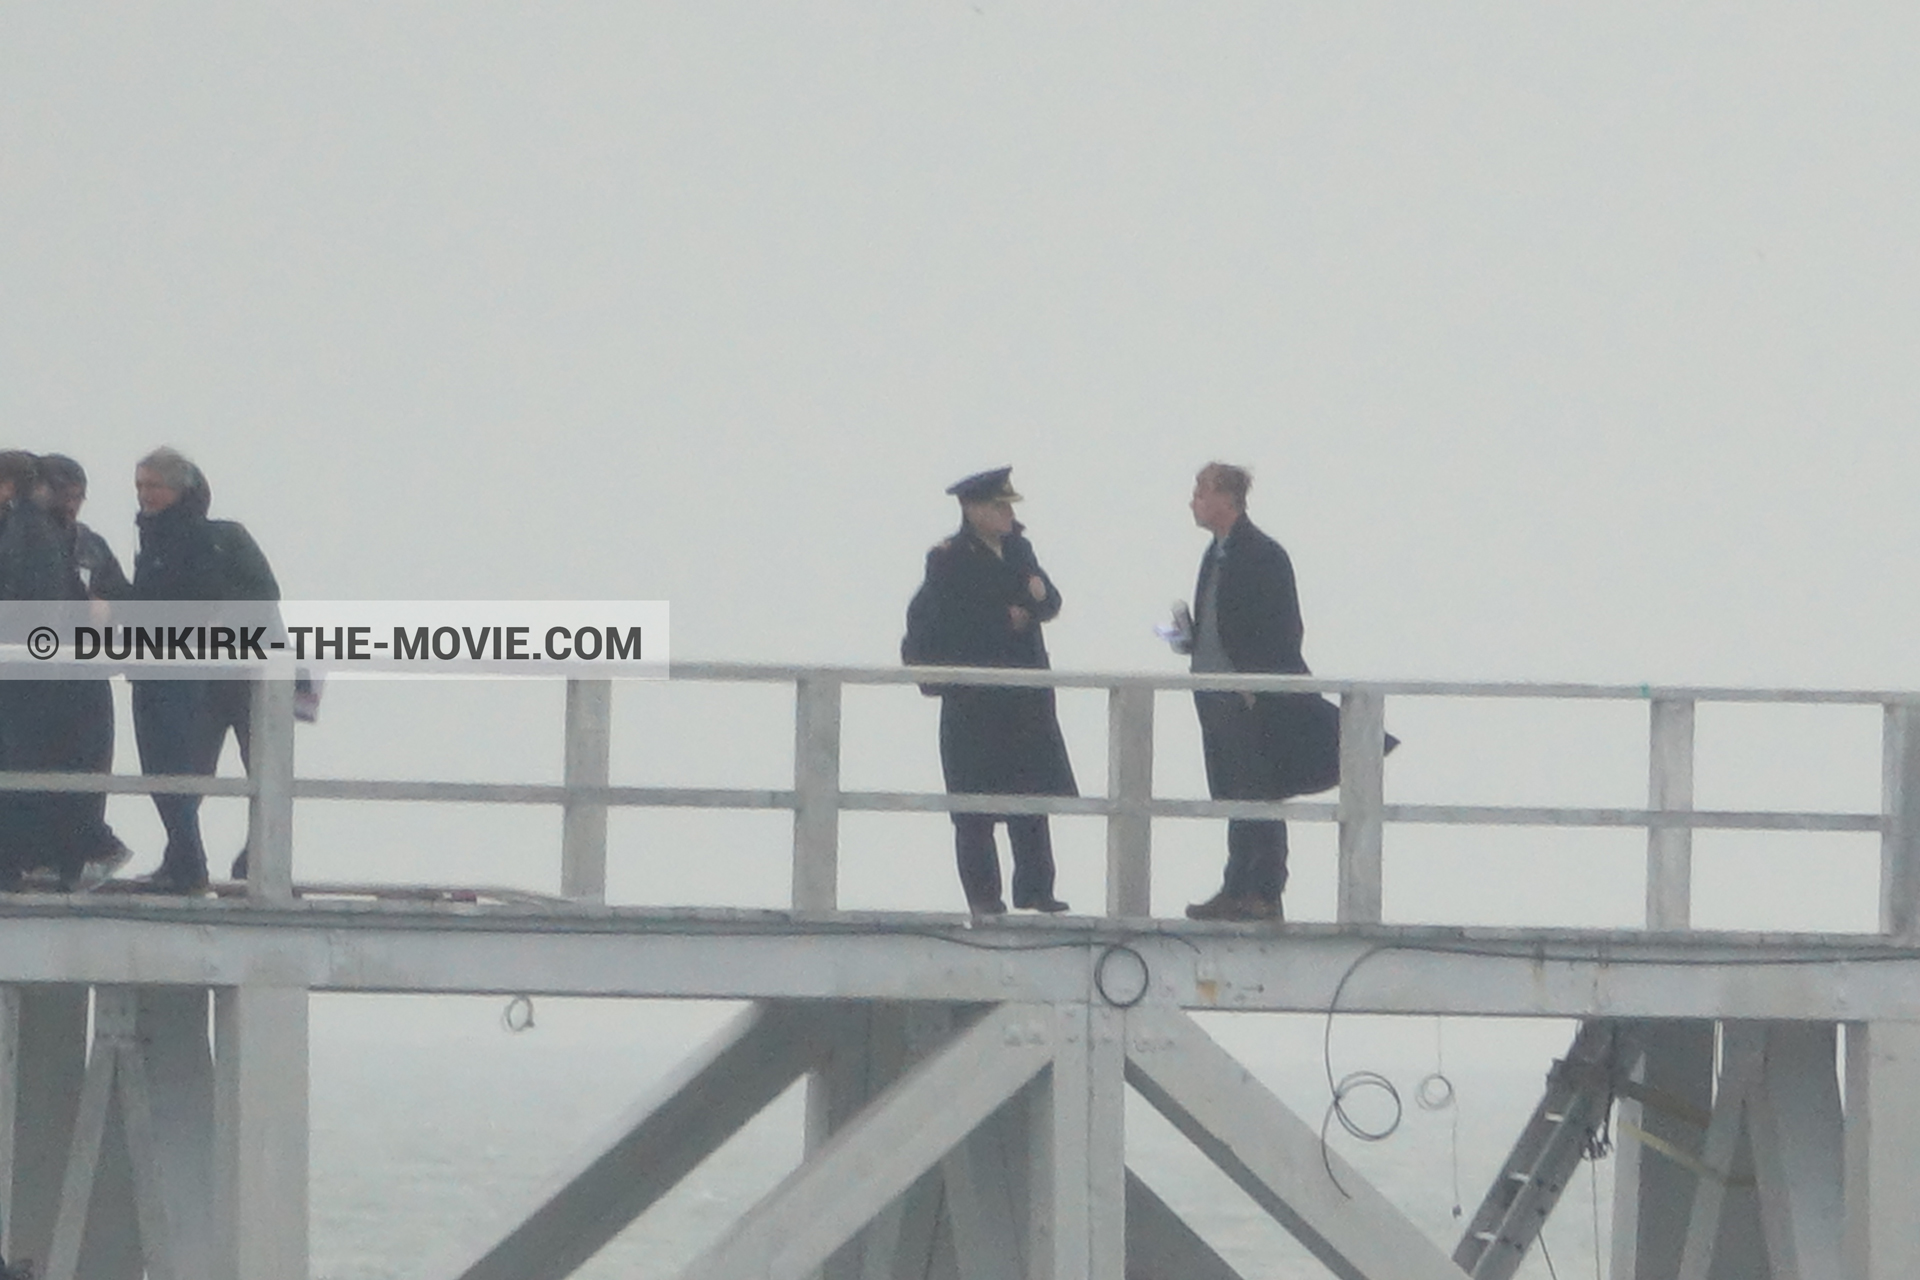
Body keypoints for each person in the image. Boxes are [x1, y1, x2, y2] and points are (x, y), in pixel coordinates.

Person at [903, 467, 1075, 916]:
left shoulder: (1019, 548)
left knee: (1031, 799)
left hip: (1025, 698)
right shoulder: (949, 558)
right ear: (972, 510)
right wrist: (1007, 618)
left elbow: (1049, 599)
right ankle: (984, 898)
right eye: (998, 506)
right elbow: (955, 620)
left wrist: (1031, 606)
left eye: (1008, 506)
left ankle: (1037, 890)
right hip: (976, 703)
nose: (1006, 513)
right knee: (974, 809)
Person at [128, 446, 282, 893]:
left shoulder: (224, 536)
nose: (144, 495)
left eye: (153, 485)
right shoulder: (152, 544)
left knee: (264, 768)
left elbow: (264, 593)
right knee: (185, 771)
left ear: (180, 488)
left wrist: (216, 621)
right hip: (193, 679)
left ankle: (262, 858)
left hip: (245, 672)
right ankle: (182, 859)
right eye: (139, 485)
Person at [1174, 462, 1314, 922]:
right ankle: (1235, 888)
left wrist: (1259, 685)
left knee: (1261, 793)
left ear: (1226, 498)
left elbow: (1284, 627)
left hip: (1250, 697)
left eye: (1201, 491)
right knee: (1235, 794)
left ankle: (1265, 892)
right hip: (1215, 694)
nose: (1193, 500)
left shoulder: (1263, 554)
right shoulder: (1215, 554)